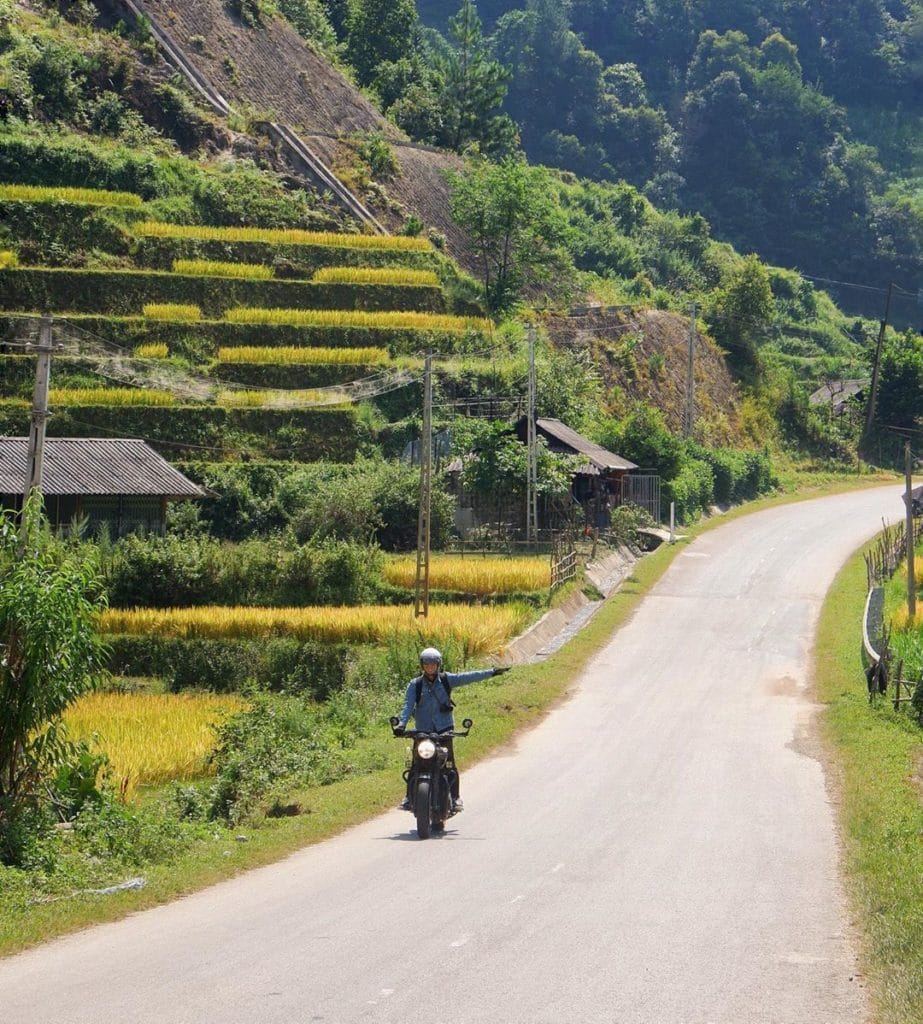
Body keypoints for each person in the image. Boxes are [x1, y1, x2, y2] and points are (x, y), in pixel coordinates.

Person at [396, 647, 509, 812]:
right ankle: (408, 797)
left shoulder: (446, 679)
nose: (429, 667)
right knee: (416, 763)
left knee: (449, 764)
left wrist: (491, 672)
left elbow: (468, 677)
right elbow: (408, 705)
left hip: (444, 729)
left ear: (438, 665)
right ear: (422, 665)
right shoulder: (415, 684)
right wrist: (401, 725)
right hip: (423, 731)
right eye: (426, 664)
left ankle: (455, 798)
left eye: (433, 664)